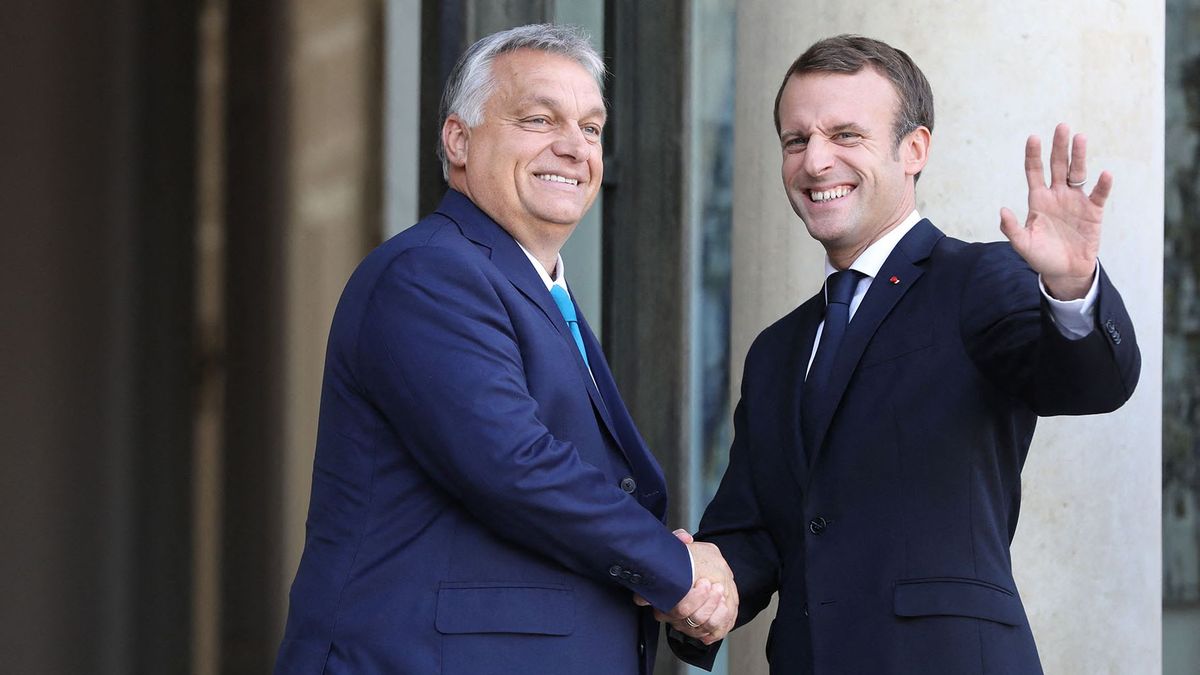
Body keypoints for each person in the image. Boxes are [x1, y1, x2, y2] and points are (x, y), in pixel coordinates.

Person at [666, 34, 1141, 674]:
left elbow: (1089, 385)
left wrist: (1072, 289)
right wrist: (698, 584)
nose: (816, 162)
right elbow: (754, 533)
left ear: (914, 149)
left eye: (846, 136)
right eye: (796, 141)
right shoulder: (776, 349)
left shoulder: (977, 281)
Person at [273, 23, 736, 675]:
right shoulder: (429, 272)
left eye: (592, 128)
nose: (574, 146)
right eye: (539, 118)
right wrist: (678, 569)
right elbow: (515, 465)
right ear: (459, 141)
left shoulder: (534, 287)